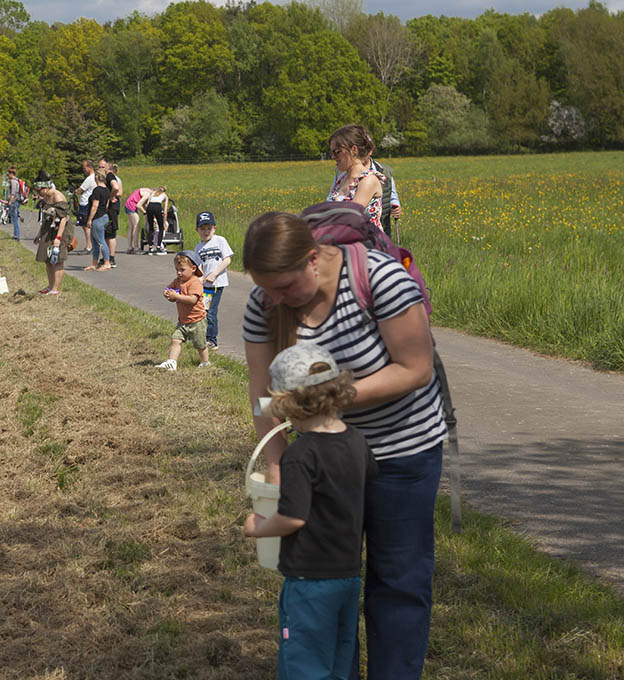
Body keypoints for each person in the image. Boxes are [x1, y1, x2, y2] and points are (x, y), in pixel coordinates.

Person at [241, 211, 447, 680]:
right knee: (323, 582)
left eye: (286, 287)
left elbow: (415, 368)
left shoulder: (380, 280)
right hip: (322, 463)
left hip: (402, 451)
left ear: (314, 259)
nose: (274, 300)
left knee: (398, 580)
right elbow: (262, 395)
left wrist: (325, 397)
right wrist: (276, 464)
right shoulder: (264, 302)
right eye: (266, 288)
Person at [243, 342, 378, 680]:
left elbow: (293, 517)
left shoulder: (301, 455)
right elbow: (369, 478)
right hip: (347, 575)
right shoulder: (357, 442)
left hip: (308, 581)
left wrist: (258, 526)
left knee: (304, 662)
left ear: (288, 404)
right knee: (338, 657)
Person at [156, 250, 210, 371]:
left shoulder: (195, 282)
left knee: (200, 345)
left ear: (193, 268)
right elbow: (168, 288)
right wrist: (167, 292)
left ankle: (205, 362)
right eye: (177, 269)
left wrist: (177, 297)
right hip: (183, 321)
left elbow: (192, 300)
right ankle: (172, 362)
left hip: (197, 321)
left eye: (182, 270)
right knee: (175, 339)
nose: (179, 273)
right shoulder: (178, 281)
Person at [326, 124, 386, 232]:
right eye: (331, 152)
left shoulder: (368, 180)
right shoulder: (341, 179)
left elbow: (351, 216)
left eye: (337, 152)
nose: (333, 157)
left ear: (354, 150)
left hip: (367, 244)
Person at [193, 211, 233, 351]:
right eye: (202, 228)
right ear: (197, 230)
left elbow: (227, 259)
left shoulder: (220, 241)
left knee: (210, 312)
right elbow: (198, 267)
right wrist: (199, 278)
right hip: (206, 285)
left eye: (209, 228)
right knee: (204, 310)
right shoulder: (198, 248)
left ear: (214, 228)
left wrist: (214, 274)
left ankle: (212, 341)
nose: (206, 231)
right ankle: (204, 337)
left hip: (217, 284)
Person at [32, 170, 70, 296]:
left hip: (61, 229)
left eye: (39, 190)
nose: (38, 193)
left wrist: (58, 238)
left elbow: (64, 218)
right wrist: (39, 234)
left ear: (46, 187)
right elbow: (45, 217)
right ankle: (49, 286)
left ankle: (55, 289)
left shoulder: (57, 196)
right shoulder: (45, 197)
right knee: (47, 259)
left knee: (58, 259)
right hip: (49, 228)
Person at [85, 169, 111, 272]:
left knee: (101, 241)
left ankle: (107, 262)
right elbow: (107, 205)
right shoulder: (107, 190)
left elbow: (94, 206)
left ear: (97, 177)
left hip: (97, 218)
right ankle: (94, 263)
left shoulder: (97, 190)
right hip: (104, 215)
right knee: (94, 242)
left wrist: (89, 219)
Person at [98, 158, 122, 268]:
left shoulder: (110, 176)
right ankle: (107, 257)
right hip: (108, 208)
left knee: (111, 234)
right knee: (107, 234)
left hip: (112, 208)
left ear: (108, 167)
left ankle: (111, 258)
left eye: (103, 167)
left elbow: (117, 188)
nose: (101, 169)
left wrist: (111, 196)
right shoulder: (105, 177)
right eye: (99, 167)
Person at [75, 160, 96, 254]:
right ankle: (90, 245)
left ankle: (88, 246)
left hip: (85, 203)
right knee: (85, 225)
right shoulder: (94, 177)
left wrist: (75, 191)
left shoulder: (90, 178)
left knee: (85, 225)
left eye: (84, 168)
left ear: (89, 167)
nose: (83, 170)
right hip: (88, 203)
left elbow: (80, 190)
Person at [124, 187, 152, 254]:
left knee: (131, 227)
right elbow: (139, 205)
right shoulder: (148, 194)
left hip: (128, 205)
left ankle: (129, 247)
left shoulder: (146, 190)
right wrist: (145, 213)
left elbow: (144, 204)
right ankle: (136, 248)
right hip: (132, 207)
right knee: (137, 226)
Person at [145, 186, 169, 254]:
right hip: (157, 206)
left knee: (151, 228)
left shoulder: (152, 193)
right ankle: (158, 247)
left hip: (150, 206)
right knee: (161, 228)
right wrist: (164, 221)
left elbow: (147, 204)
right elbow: (165, 210)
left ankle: (150, 248)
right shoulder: (165, 195)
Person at [5, 165, 24, 241]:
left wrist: (9, 202)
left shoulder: (13, 182)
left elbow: (13, 194)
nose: (7, 176)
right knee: (14, 218)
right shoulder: (17, 181)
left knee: (15, 219)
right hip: (16, 201)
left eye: (8, 174)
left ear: (11, 174)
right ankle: (16, 234)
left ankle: (16, 235)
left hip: (14, 202)